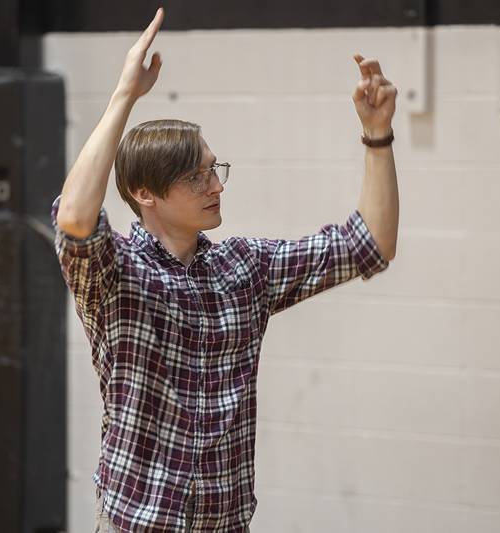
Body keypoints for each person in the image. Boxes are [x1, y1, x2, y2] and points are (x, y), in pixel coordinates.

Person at [51, 7, 399, 532]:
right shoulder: (116, 274)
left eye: (215, 170)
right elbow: (76, 217)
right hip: (136, 523)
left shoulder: (245, 267)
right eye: (197, 177)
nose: (217, 186)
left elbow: (371, 243)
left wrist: (377, 137)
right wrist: (125, 94)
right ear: (146, 194)